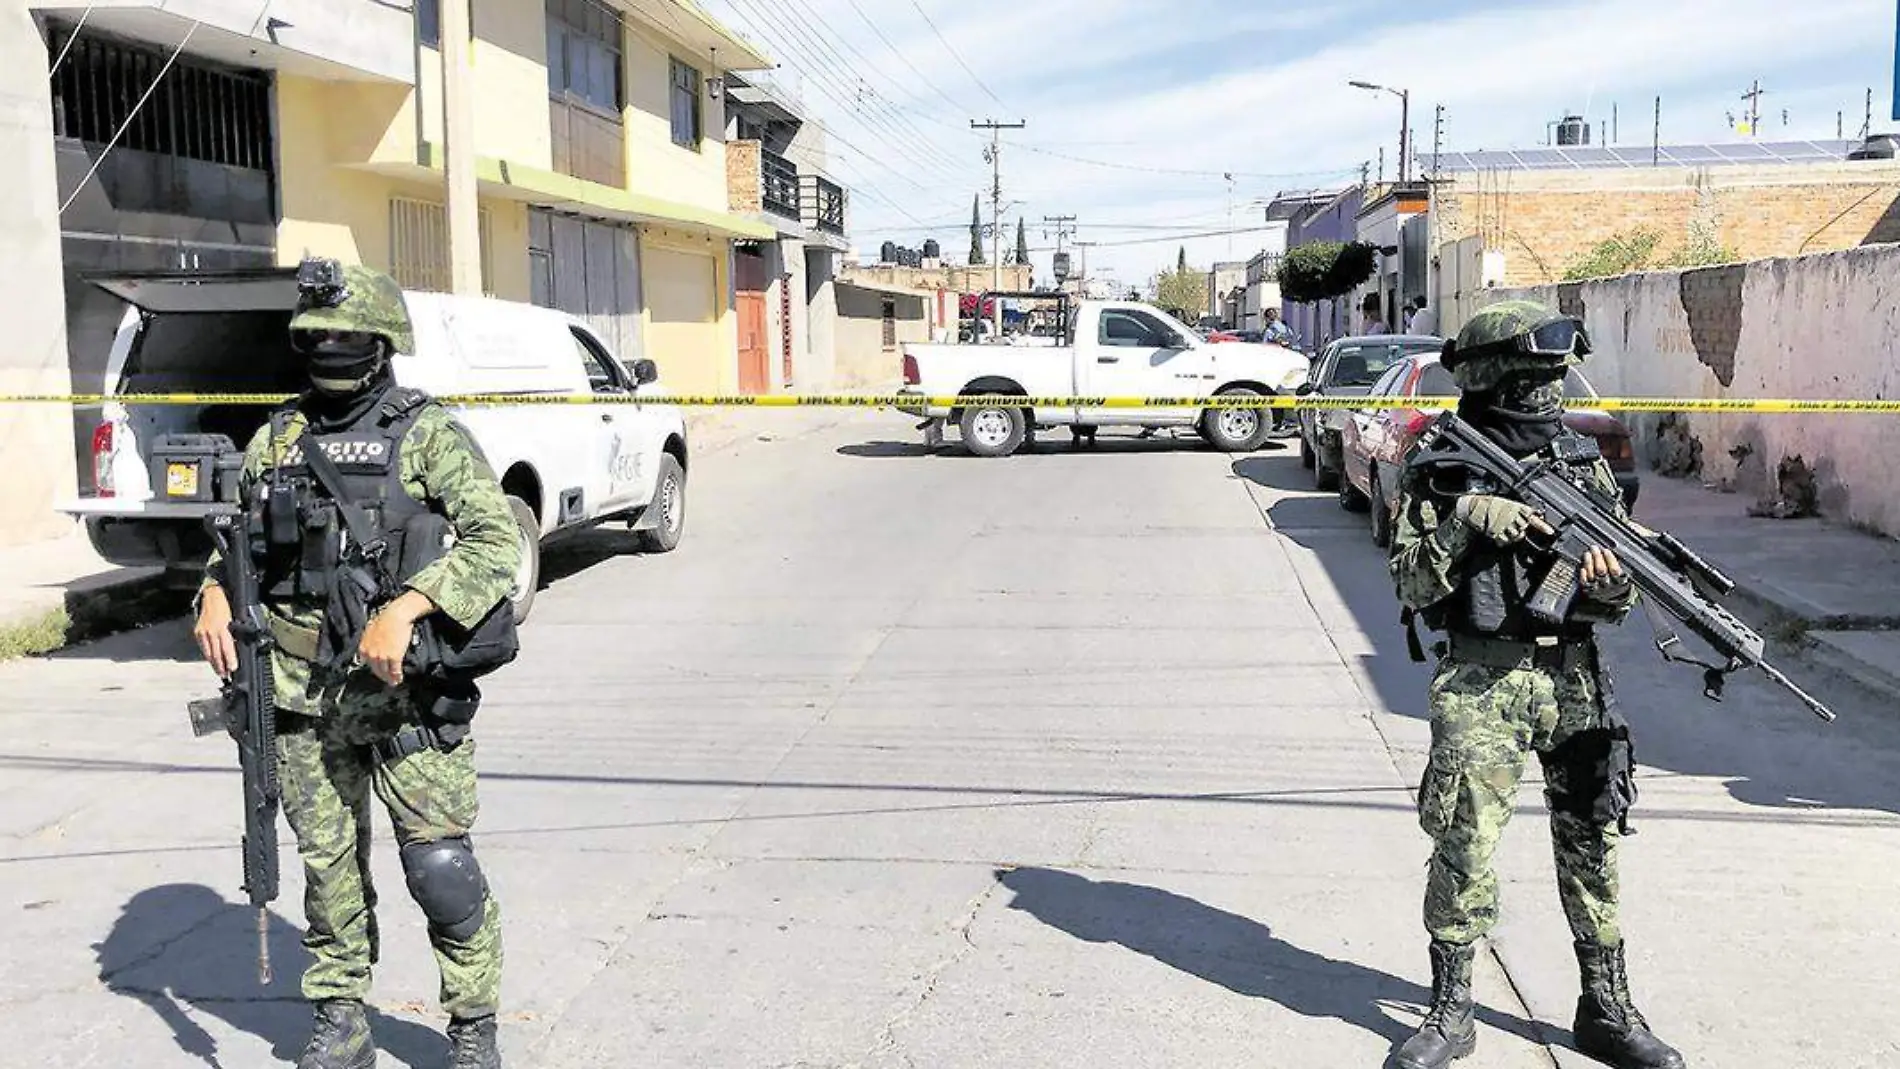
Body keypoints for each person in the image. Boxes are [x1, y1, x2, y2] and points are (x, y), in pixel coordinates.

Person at [193, 258, 522, 1069]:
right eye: (317, 339)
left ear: (382, 343)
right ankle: (341, 1014)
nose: (330, 351)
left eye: (347, 338)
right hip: (300, 695)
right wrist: (209, 595)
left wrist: (408, 607)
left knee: (440, 866)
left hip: (405, 693)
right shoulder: (278, 435)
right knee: (327, 865)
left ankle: (472, 1025)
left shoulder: (426, 433)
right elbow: (239, 550)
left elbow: (497, 540)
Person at [1385, 300, 1684, 1069]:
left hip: (1574, 675)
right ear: (1495, 377)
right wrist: (1468, 518)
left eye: (1557, 376)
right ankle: (1451, 1012)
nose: (1551, 393)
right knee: (1464, 847)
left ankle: (1606, 1009)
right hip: (1482, 677)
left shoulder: (1580, 464)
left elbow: (1617, 601)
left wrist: (1611, 582)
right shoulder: (1443, 464)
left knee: (1592, 841)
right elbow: (1414, 585)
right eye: (1536, 376)